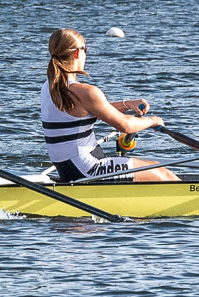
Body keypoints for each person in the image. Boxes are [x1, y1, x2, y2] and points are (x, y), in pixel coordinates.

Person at [41, 29, 180, 184]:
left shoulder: (50, 87)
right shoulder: (85, 92)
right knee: (161, 173)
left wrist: (127, 104)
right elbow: (126, 126)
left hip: (68, 169)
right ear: (77, 53)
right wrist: (154, 121)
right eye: (86, 50)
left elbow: (90, 110)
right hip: (88, 169)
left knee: (152, 170)